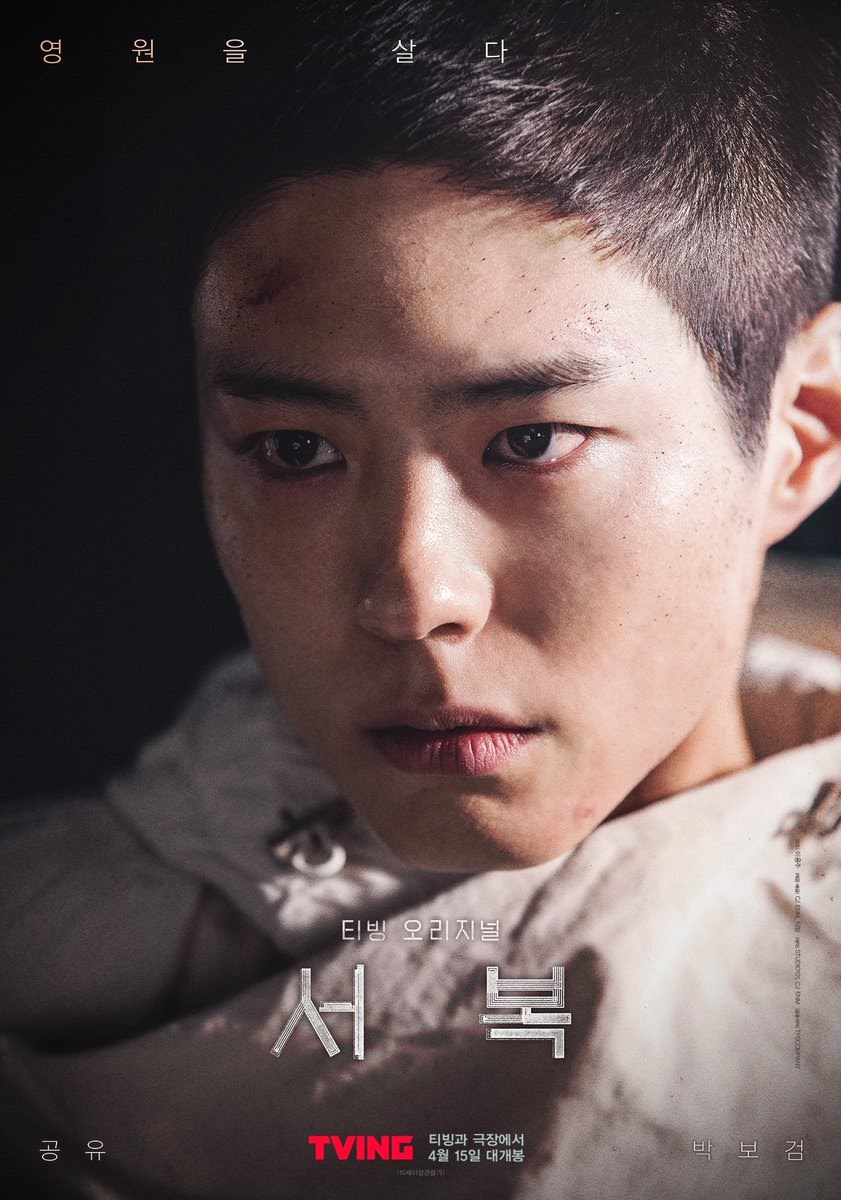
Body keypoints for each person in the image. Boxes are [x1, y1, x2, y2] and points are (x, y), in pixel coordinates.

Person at [2, 1, 840, 1197]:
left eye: (532, 440)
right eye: (294, 451)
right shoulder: (49, 938)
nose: (412, 598)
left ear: (802, 430)